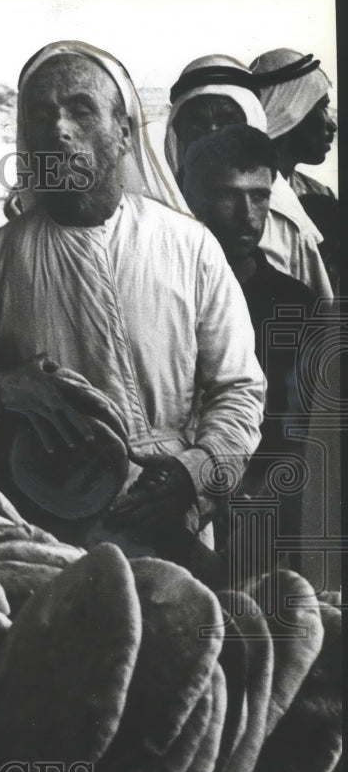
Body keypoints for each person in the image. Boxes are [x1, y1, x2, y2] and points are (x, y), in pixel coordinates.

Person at [0, 41, 266, 558]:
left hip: (174, 514)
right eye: (40, 114)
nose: (59, 128)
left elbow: (237, 391)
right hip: (44, 528)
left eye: (80, 109)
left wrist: (193, 476)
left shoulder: (190, 246)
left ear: (123, 132)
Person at [181, 124, 318, 573]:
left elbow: (302, 433)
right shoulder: (168, 292)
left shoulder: (296, 304)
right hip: (173, 499)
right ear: (193, 197)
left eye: (260, 196)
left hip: (264, 514)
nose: (247, 214)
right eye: (228, 195)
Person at [165, 55, 332, 299]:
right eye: (197, 123)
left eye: (227, 121)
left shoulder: (287, 221)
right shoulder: (158, 205)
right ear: (178, 132)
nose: (212, 136)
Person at [251, 49, 339, 293]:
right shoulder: (244, 201)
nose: (332, 124)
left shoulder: (321, 193)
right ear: (291, 111)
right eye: (321, 107)